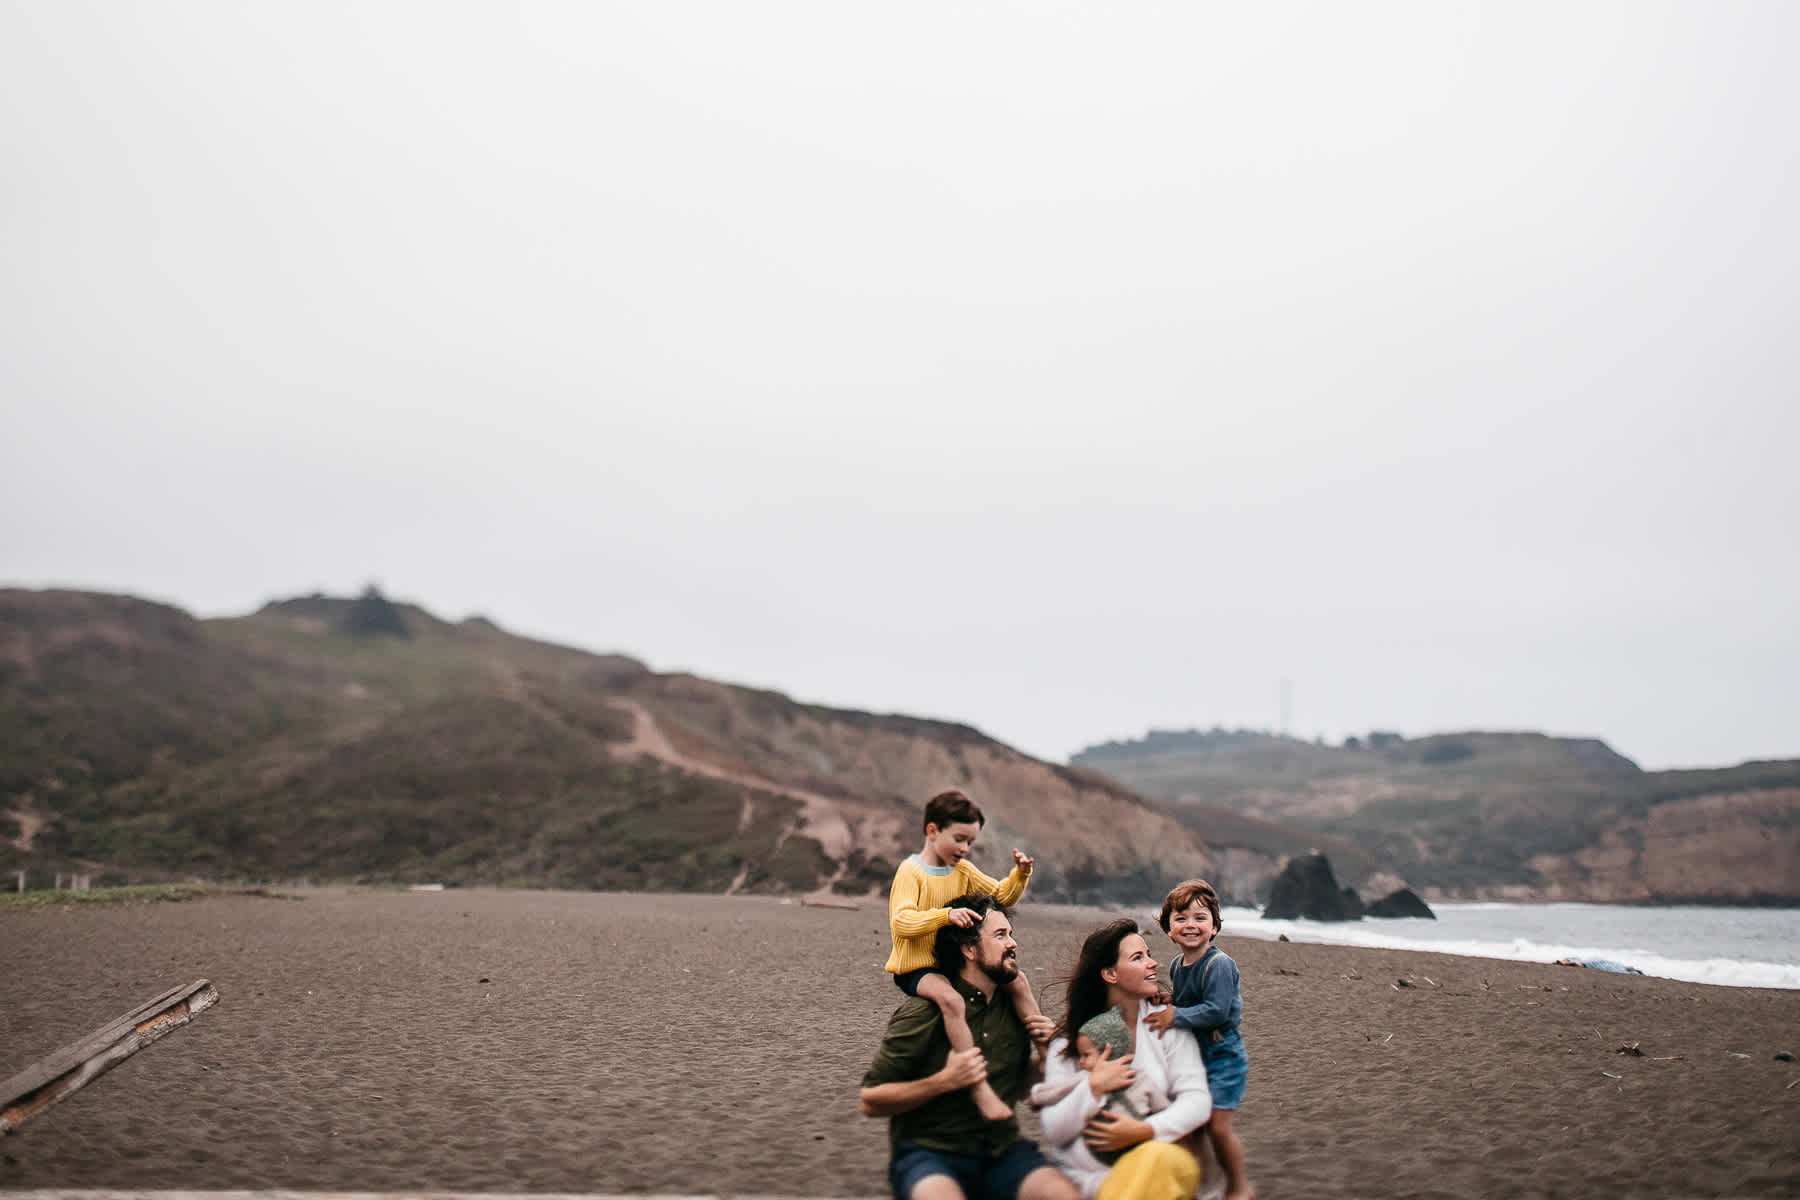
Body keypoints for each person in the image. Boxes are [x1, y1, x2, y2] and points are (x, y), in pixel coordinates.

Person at [861, 893, 1077, 1200]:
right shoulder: (926, 1012)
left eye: (1010, 934)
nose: (1013, 944)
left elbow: (1017, 1087)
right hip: (931, 1155)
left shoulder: (1013, 1005)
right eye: (1001, 935)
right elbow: (871, 1100)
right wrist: (944, 1081)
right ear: (969, 949)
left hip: (1003, 1152)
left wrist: (1046, 1061)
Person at [885, 788, 1046, 1120]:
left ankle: (1048, 1054)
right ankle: (977, 1085)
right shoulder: (910, 872)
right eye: (959, 838)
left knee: (1019, 981)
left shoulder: (964, 871)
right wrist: (944, 916)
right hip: (918, 968)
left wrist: (1021, 875)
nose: (965, 848)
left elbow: (1002, 895)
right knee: (952, 1001)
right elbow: (902, 922)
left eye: (970, 842)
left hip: (954, 960)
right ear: (932, 831)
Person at [1034, 920, 1215, 1200]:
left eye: (1149, 954)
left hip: (1160, 1165)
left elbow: (1198, 1101)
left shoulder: (1167, 1026)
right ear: (1110, 973)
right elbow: (1054, 1130)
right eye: (1138, 957)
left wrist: (1143, 1130)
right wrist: (1092, 1087)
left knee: (1158, 1159)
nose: (1153, 964)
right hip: (1091, 1181)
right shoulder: (1072, 1041)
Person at [1146, 881, 1253, 1200]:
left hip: (1224, 1056)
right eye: (1180, 918)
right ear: (1168, 929)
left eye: (1200, 918)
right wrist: (1168, 999)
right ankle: (1197, 1183)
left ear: (1215, 927)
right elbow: (1186, 998)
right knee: (1191, 1125)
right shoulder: (1178, 965)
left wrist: (1174, 1015)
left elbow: (1217, 1011)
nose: (1190, 925)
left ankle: (1239, 1186)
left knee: (1218, 1129)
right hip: (1194, 1054)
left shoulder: (1219, 964)